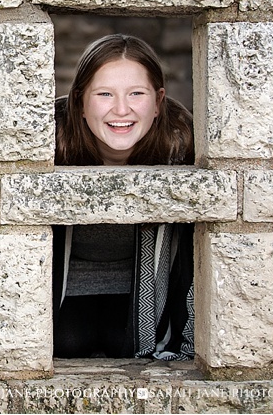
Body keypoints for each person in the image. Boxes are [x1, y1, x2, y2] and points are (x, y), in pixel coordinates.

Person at [52, 34, 195, 360]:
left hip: (142, 281)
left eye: (136, 94)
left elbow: (192, 247)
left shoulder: (179, 139)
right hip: (70, 277)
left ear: (158, 102)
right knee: (68, 342)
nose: (121, 109)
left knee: (132, 346)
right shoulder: (53, 134)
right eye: (104, 94)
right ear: (80, 102)